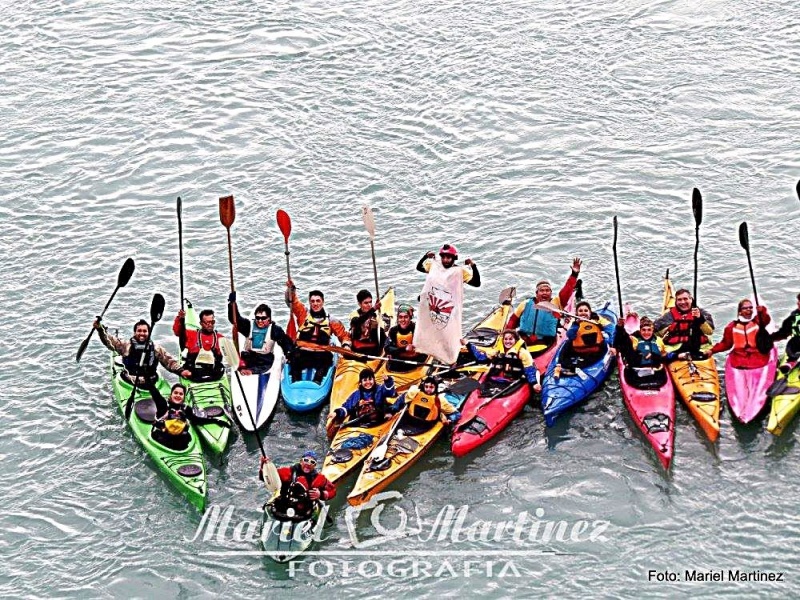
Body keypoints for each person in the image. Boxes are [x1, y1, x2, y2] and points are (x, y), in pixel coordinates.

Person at [506, 258, 582, 351]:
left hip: (546, 343)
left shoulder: (556, 303)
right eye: (542, 291)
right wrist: (507, 334)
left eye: (547, 290)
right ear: (536, 293)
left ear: (551, 292)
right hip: (524, 341)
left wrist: (574, 274)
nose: (545, 293)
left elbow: (566, 291)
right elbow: (512, 321)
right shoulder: (525, 304)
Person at [94, 318, 183, 396]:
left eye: (145, 331)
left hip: (151, 382)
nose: (142, 333)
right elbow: (109, 341)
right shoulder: (125, 346)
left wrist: (181, 371)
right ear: (134, 332)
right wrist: (100, 330)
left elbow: (169, 361)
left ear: (149, 333)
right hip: (129, 382)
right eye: (139, 331)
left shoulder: (156, 348)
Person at [286, 279, 351, 384]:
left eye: (318, 301)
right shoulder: (303, 313)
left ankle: (317, 381)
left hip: (321, 354)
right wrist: (291, 289)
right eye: (312, 301)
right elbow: (292, 302)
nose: (315, 304)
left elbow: (344, 336)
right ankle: (295, 382)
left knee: (327, 358)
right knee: (294, 356)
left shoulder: (331, 320)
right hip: (304, 352)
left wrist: (346, 346)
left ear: (323, 302)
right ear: (309, 302)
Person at [227, 292, 294, 375]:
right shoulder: (248, 325)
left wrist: (289, 354)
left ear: (269, 319)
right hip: (249, 356)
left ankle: (251, 371)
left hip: (264, 359)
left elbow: (285, 342)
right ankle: (245, 370)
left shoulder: (275, 330)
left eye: (263, 318)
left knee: (265, 364)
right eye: (257, 318)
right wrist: (232, 304)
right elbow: (234, 319)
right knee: (242, 363)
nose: (260, 321)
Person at [151, 383, 231, 450]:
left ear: (184, 397)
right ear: (171, 394)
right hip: (162, 439)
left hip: (180, 442)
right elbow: (155, 394)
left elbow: (197, 420)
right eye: (175, 393)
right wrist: (147, 380)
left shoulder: (185, 409)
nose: (178, 395)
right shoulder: (164, 406)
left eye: (181, 394)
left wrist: (216, 421)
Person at [258, 451, 336, 520]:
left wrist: (320, 494)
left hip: (303, 513)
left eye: (312, 462)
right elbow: (266, 478)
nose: (308, 464)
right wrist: (263, 466)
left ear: (315, 465)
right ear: (301, 461)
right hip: (282, 509)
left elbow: (332, 491)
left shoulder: (319, 479)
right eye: (306, 460)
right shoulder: (287, 472)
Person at [466, 329, 540, 391]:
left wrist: (534, 383)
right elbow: (481, 358)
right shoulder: (497, 351)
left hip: (512, 380)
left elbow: (529, 370)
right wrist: (468, 344)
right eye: (506, 339)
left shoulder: (522, 353)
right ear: (503, 340)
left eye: (511, 339)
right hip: (494, 379)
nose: (508, 341)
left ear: (516, 340)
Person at [707, 299, 772, 369]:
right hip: (739, 358)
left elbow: (766, 319)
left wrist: (762, 311)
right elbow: (726, 344)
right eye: (745, 308)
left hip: (759, 356)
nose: (748, 309)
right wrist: (712, 350)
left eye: (750, 307)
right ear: (740, 312)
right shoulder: (731, 327)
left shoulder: (758, 322)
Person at [556, 301, 616, 375]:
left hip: (595, 349)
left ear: (590, 312)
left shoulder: (597, 319)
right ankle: (560, 363)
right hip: (579, 348)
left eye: (586, 310)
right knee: (567, 343)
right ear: (577, 313)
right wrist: (576, 325)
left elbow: (611, 328)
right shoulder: (575, 322)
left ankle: (576, 367)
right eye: (580, 311)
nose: (583, 313)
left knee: (604, 341)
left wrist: (611, 344)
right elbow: (571, 336)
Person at [327, 368, 398, 429]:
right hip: (361, 423)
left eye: (370, 379)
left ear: (374, 380)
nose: (368, 382)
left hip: (380, 421)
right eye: (365, 380)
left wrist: (388, 381)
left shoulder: (380, 389)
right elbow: (346, 407)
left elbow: (390, 393)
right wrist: (336, 413)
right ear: (361, 382)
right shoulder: (356, 394)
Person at [653, 288, 715, 358]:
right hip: (674, 349)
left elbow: (710, 332)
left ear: (691, 299)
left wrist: (700, 318)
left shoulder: (703, 313)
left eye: (685, 299)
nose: (683, 302)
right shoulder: (668, 316)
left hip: (700, 348)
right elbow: (655, 333)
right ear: (675, 302)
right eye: (679, 300)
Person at [613, 316, 668, 388]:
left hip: (655, 371)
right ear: (640, 330)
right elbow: (623, 340)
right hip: (636, 371)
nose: (646, 332)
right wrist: (620, 328)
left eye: (649, 330)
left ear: (652, 330)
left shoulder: (659, 341)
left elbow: (664, 356)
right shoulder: (634, 339)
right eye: (643, 330)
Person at [173, 308, 226, 382]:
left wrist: (241, 367)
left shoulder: (220, 338)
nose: (210, 325)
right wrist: (180, 318)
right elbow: (177, 332)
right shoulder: (191, 335)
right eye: (207, 323)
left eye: (212, 322)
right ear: (201, 323)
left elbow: (230, 355)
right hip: (194, 373)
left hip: (214, 374)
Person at [392, 376, 461, 432]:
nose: (428, 389)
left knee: (442, 414)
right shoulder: (415, 392)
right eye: (426, 386)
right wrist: (392, 410)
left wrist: (450, 420)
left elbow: (456, 414)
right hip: (409, 420)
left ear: (435, 388)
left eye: (431, 387)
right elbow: (401, 400)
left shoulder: (440, 400)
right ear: (423, 386)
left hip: (426, 426)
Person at [384, 304, 428, 372]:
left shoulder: (417, 330)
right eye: (400, 317)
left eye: (406, 317)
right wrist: (404, 349)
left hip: (415, 360)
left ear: (410, 318)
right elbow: (387, 348)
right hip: (400, 359)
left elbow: (425, 347)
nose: (403, 320)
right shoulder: (393, 330)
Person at [415, 243, 481, 287]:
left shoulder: (460, 272)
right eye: (443, 257)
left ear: (454, 258)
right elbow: (419, 268)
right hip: (435, 300)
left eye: (448, 258)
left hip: (450, 302)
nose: (445, 260)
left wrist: (473, 266)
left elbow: (476, 284)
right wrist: (425, 256)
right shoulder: (436, 267)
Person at [348, 289, 386, 356]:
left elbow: (381, 334)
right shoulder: (354, 314)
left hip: (372, 349)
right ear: (360, 304)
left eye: (370, 302)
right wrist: (373, 309)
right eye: (366, 303)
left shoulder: (375, 316)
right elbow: (357, 322)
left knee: (381, 331)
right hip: (358, 348)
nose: (369, 305)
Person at [771, 293, 800, 372]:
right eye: (798, 302)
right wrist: (769, 339)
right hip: (798, 343)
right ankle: (791, 362)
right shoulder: (794, 317)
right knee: (793, 344)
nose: (798, 304)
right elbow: (783, 332)